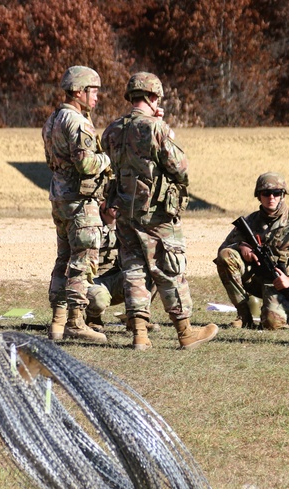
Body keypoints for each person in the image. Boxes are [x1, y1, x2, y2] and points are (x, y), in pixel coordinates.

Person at [102, 72, 218, 351]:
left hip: (126, 213)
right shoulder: (156, 128)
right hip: (157, 214)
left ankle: (140, 334)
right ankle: (185, 332)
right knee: (169, 269)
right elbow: (180, 168)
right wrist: (163, 126)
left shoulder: (112, 130)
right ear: (153, 97)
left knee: (133, 270)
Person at [42, 66, 112, 344]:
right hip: (81, 201)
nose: (96, 97)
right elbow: (85, 163)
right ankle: (75, 322)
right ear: (78, 92)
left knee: (63, 259)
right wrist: (108, 160)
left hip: (59, 198)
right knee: (82, 263)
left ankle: (57, 323)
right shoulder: (79, 122)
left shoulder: (53, 120)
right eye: (93, 91)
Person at [214, 173, 289, 330]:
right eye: (266, 193)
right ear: (259, 196)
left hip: (282, 284)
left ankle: (283, 311)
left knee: (272, 325)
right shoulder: (250, 222)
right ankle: (245, 316)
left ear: (283, 195)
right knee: (226, 256)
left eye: (276, 193)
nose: (271, 197)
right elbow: (222, 250)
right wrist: (241, 246)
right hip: (255, 278)